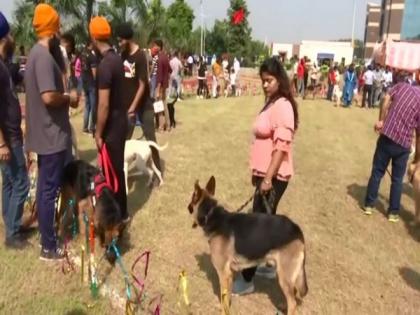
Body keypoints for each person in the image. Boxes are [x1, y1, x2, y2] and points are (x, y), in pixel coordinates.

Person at [233, 57, 299, 294]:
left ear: (279, 80)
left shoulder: (283, 106)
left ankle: (247, 279)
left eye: (269, 80)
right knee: (265, 225)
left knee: (256, 231)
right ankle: (268, 266)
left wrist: (268, 179)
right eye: (263, 81)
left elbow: (281, 148)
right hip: (265, 176)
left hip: (273, 177)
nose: (264, 85)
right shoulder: (273, 102)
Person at [25, 3, 79, 260]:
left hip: (45, 134)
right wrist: (68, 97)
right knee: (49, 191)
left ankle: (47, 236)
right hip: (51, 135)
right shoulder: (45, 57)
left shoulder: (35, 53)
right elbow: (48, 97)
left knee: (46, 189)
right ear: (54, 28)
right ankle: (48, 245)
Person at [363, 73, 420, 222]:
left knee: (377, 172)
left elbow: (386, 98)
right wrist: (417, 158)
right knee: (397, 179)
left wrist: (381, 120)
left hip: (388, 135)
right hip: (403, 144)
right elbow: (419, 135)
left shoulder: (401, 87)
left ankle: (369, 204)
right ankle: (393, 212)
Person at [89, 16, 129, 221]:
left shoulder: (105, 65)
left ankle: (116, 216)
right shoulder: (116, 60)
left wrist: (98, 133)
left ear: (94, 39)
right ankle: (123, 213)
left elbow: (103, 104)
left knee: (110, 173)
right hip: (120, 124)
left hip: (111, 128)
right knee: (117, 170)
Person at [0, 12, 30, 249]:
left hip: (9, 135)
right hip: (7, 137)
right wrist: (1, 143)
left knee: (9, 182)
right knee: (21, 183)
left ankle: (10, 223)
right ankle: (13, 232)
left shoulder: (4, 66)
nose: (12, 37)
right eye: (8, 34)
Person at [116, 23, 162, 174]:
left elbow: (143, 85)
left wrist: (132, 108)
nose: (119, 43)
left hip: (143, 105)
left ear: (129, 39)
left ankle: (157, 171)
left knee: (150, 139)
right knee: (124, 139)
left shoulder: (140, 56)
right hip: (127, 105)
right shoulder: (123, 55)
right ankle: (119, 171)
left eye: (121, 40)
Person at [151, 39, 170, 132]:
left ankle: (161, 127)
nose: (154, 47)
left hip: (160, 86)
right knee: (164, 105)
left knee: (159, 106)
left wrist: (158, 89)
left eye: (155, 45)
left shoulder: (158, 58)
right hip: (165, 85)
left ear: (159, 46)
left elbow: (159, 76)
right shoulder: (166, 57)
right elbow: (170, 70)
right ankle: (168, 125)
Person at [81, 41, 97, 133]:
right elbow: (94, 72)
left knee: (87, 106)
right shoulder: (92, 56)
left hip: (85, 83)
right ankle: (92, 127)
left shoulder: (82, 55)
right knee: (93, 106)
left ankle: (85, 127)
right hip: (91, 84)